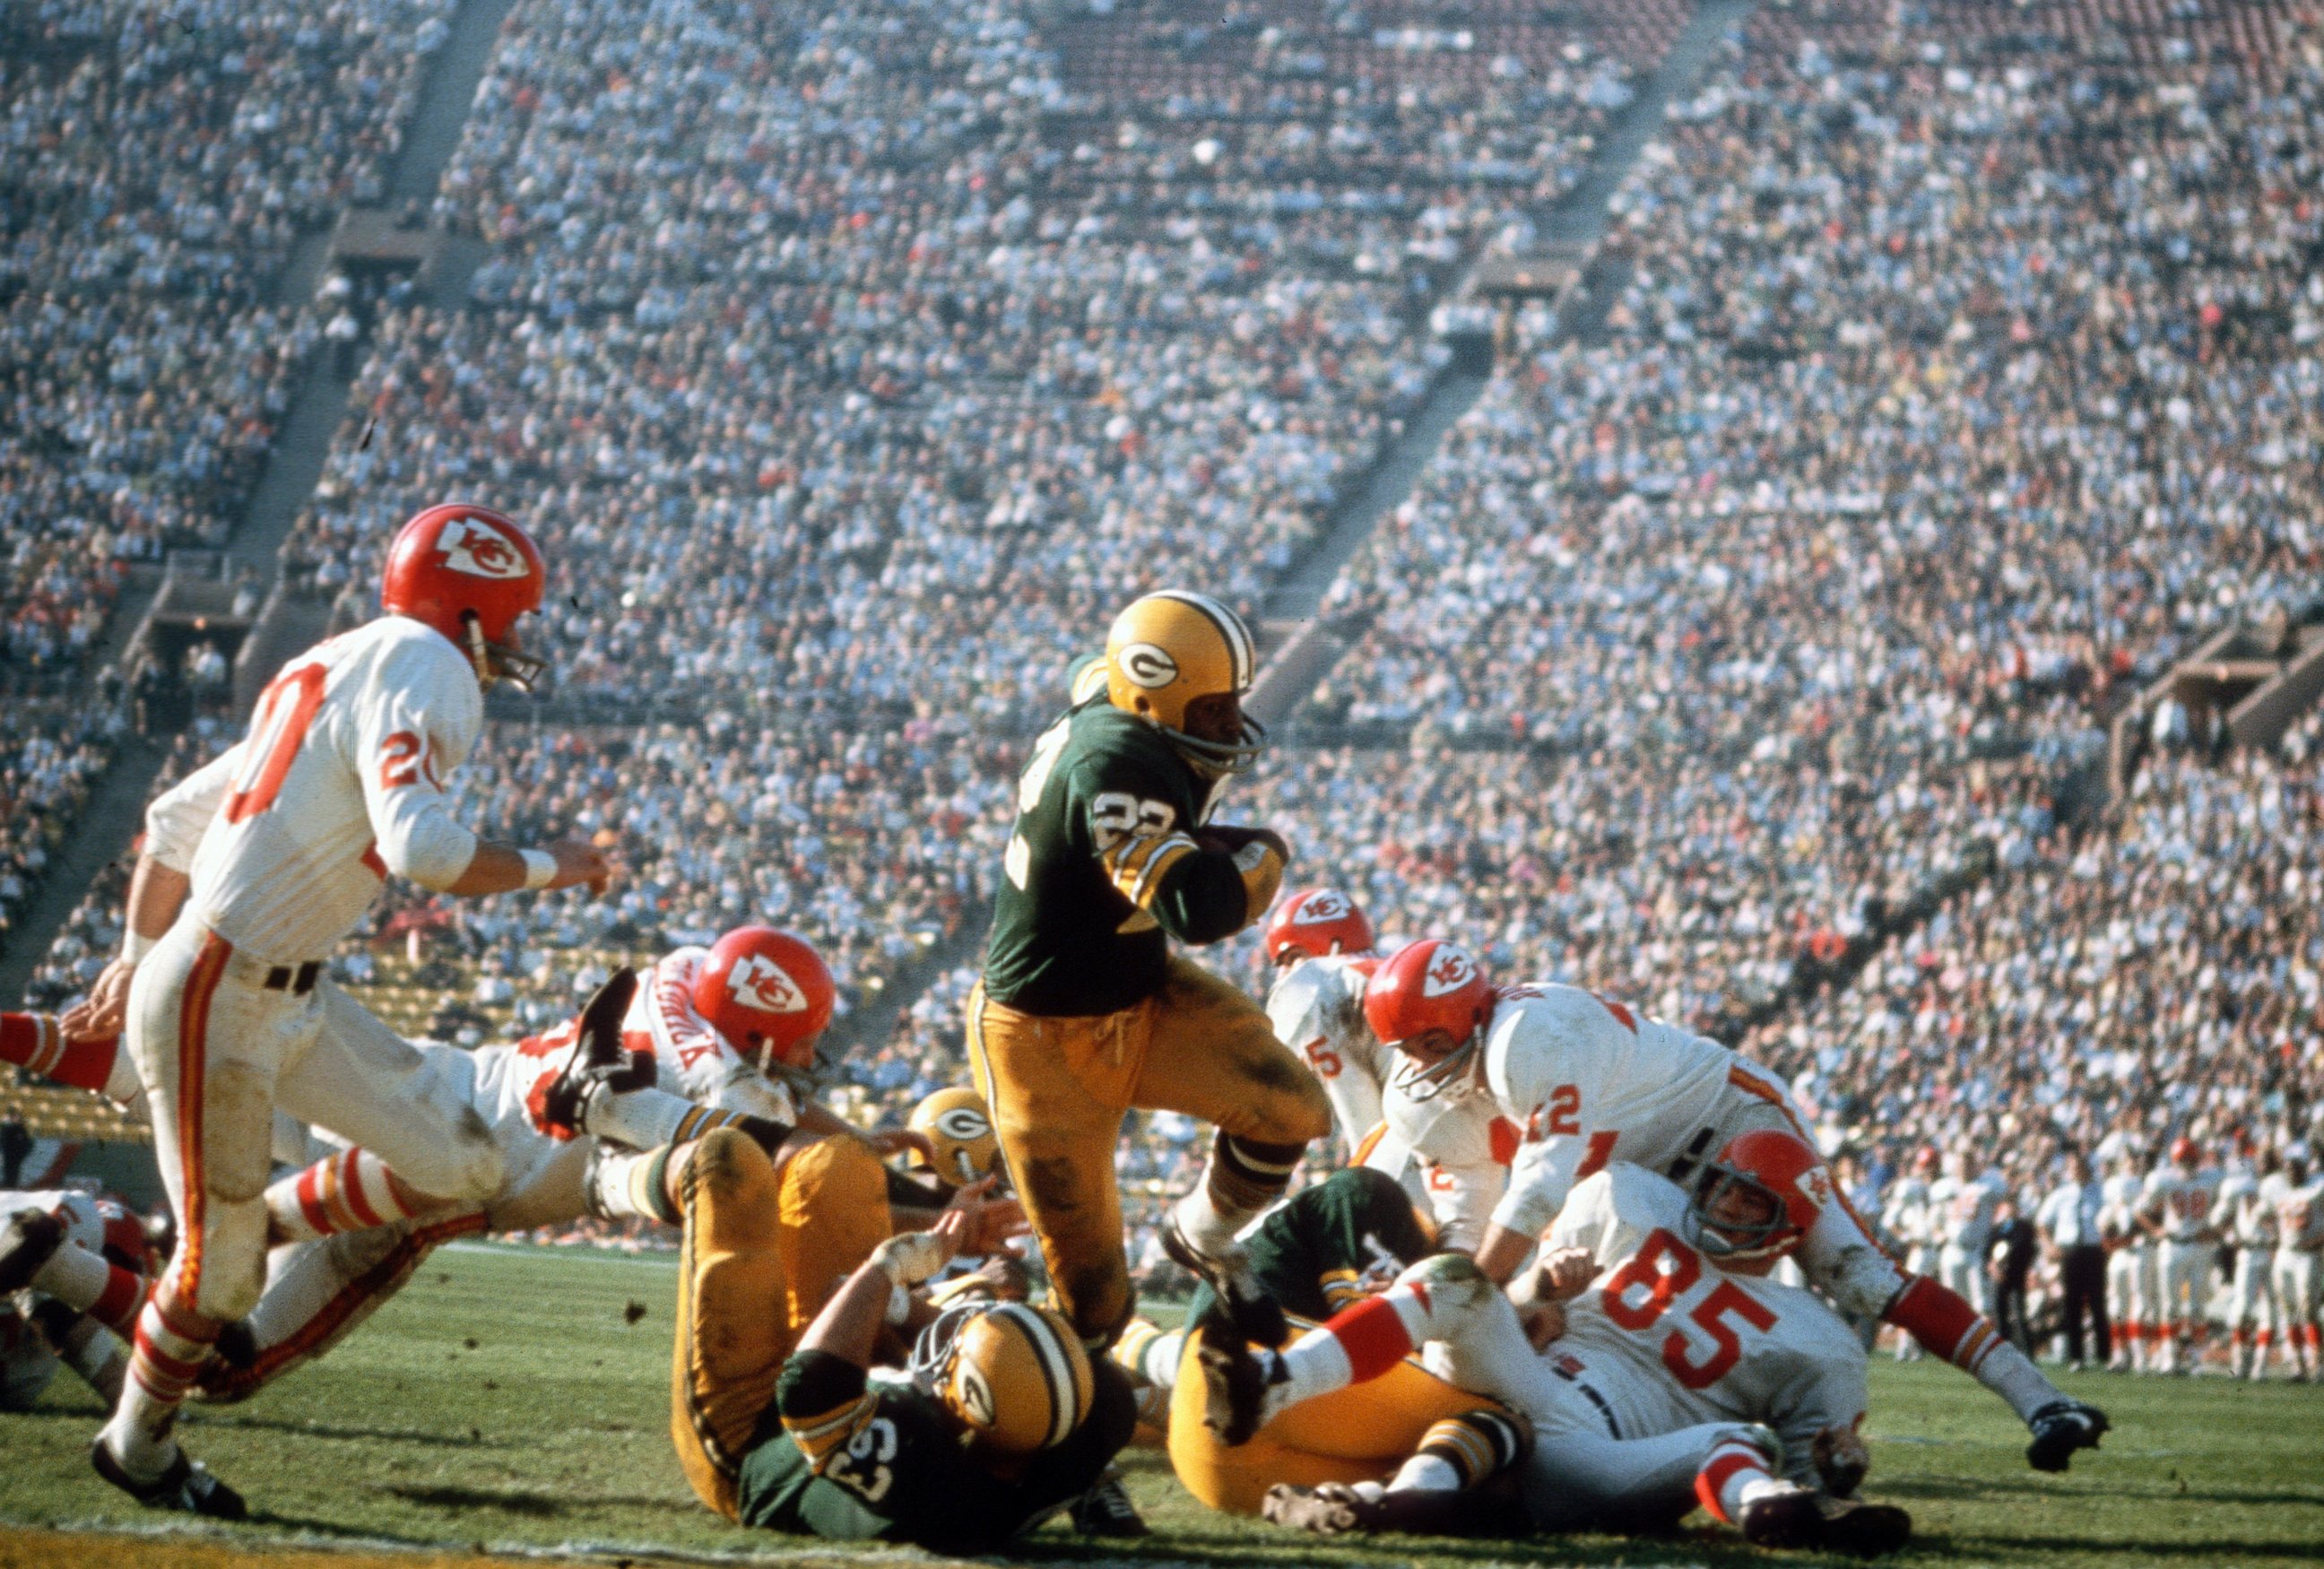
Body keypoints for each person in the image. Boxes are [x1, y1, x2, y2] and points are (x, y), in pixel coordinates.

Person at [74, 504, 614, 1513]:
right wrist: (557, 866)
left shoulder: (331, 661)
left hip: (285, 992)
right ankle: (135, 1445)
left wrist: (134, 955)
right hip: (220, 995)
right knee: (221, 1277)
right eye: (512, 615)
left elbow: (170, 823)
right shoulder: (429, 665)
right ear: (473, 604)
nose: (518, 639)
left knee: (466, 1165)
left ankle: (261, 1219)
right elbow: (423, 852)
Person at [1364, 941, 2107, 1471]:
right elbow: (1475, 1221)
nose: (1417, 1064)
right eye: (1405, 1047)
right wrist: (1470, 1298)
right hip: (1635, 1170)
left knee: (1860, 1275)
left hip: (1733, 1131)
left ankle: (2041, 1401)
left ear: (1471, 1014)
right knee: (1583, 1300)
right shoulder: (1434, 1092)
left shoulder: (1534, 1036)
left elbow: (1537, 1187)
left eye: (1429, 1039)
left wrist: (1474, 1292)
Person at [1201, 1134, 1913, 1556]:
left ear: (1789, 1225)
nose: (1727, 1205)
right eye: (1726, 1187)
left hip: (1607, 1450)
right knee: (1452, 1279)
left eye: (1753, 1201)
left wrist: (1837, 1475)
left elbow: (1818, 1473)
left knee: (1735, 1441)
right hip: (1527, 1380)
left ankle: (1764, 1511)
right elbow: (1517, 1310)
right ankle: (1272, 1378)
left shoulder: (1819, 1340)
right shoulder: (1628, 1201)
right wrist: (1538, 1288)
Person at [967, 591, 1331, 1348]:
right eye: (1210, 709)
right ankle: (1053, 1414)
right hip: (1042, 1041)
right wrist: (1265, 851)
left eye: (1232, 701)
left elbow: (1088, 671)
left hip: (1139, 988)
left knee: (1292, 1112)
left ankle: (1202, 1238)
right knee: (1097, 1304)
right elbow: (1201, 911)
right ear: (1149, 700)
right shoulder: (1117, 764)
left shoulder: (1119, 699)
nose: (1230, 722)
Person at [685, 1131, 1135, 1550]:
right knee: (842, 1169)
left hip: (752, 1443)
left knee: (726, 1164)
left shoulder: (921, 1468)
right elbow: (1046, 1389)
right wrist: (900, 1293)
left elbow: (807, 1388)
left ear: (966, 1400)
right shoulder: (1074, 1415)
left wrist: (887, 1268)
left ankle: (617, 1179)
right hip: (856, 1396)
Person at [2138, 1137, 2219, 1374]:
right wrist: (2156, 1230)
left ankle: (2196, 1358)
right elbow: (2140, 1210)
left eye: (2190, 1159)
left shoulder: (2211, 1179)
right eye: (2182, 1159)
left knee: (2197, 1305)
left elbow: (2228, 1208)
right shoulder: (2164, 1179)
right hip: (2172, 1245)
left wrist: (2215, 1230)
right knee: (2170, 1305)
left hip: (2199, 1245)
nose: (2186, 1163)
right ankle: (2169, 1355)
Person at [2036, 1152, 2112, 1372]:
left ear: (2087, 1168)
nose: (2076, 1171)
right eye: (2073, 1168)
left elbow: (2111, 1217)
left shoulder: (2100, 1191)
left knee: (2098, 1303)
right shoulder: (2061, 1194)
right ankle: (2076, 1356)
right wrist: (2050, 1246)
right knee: (2072, 1304)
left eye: (2080, 1167)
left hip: (2093, 1249)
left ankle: (2103, 1355)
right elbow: (2042, 1222)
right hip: (2069, 1251)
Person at [2213, 1148, 2280, 1382]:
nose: (2264, 1165)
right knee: (2241, 1309)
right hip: (2249, 1251)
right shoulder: (2243, 1186)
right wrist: (2230, 1236)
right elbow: (2219, 1218)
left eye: (2269, 1160)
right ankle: (2239, 1363)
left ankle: (2260, 1366)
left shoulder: (2281, 1187)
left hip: (2274, 1251)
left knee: (2271, 1311)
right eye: (2262, 1160)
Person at [2100, 1149, 2154, 1373]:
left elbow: (2149, 1220)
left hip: (2141, 1249)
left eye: (2135, 1161)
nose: (2131, 1166)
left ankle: (2140, 1357)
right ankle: (2120, 1354)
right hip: (2121, 1252)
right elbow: (2105, 1226)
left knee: (2139, 1303)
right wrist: (2110, 1238)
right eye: (2127, 1161)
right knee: (2116, 1306)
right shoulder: (2113, 1193)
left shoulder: (2147, 1189)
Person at [2272, 1147, 2321, 1381]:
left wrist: (2319, 1240)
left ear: (2304, 1169)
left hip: (2307, 1254)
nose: (2290, 1172)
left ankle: (2318, 1362)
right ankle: (2298, 1366)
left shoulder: (2316, 1189)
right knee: (2289, 1310)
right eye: (2288, 1168)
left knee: (2308, 1307)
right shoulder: (2279, 1191)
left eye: (2295, 1168)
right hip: (2285, 1254)